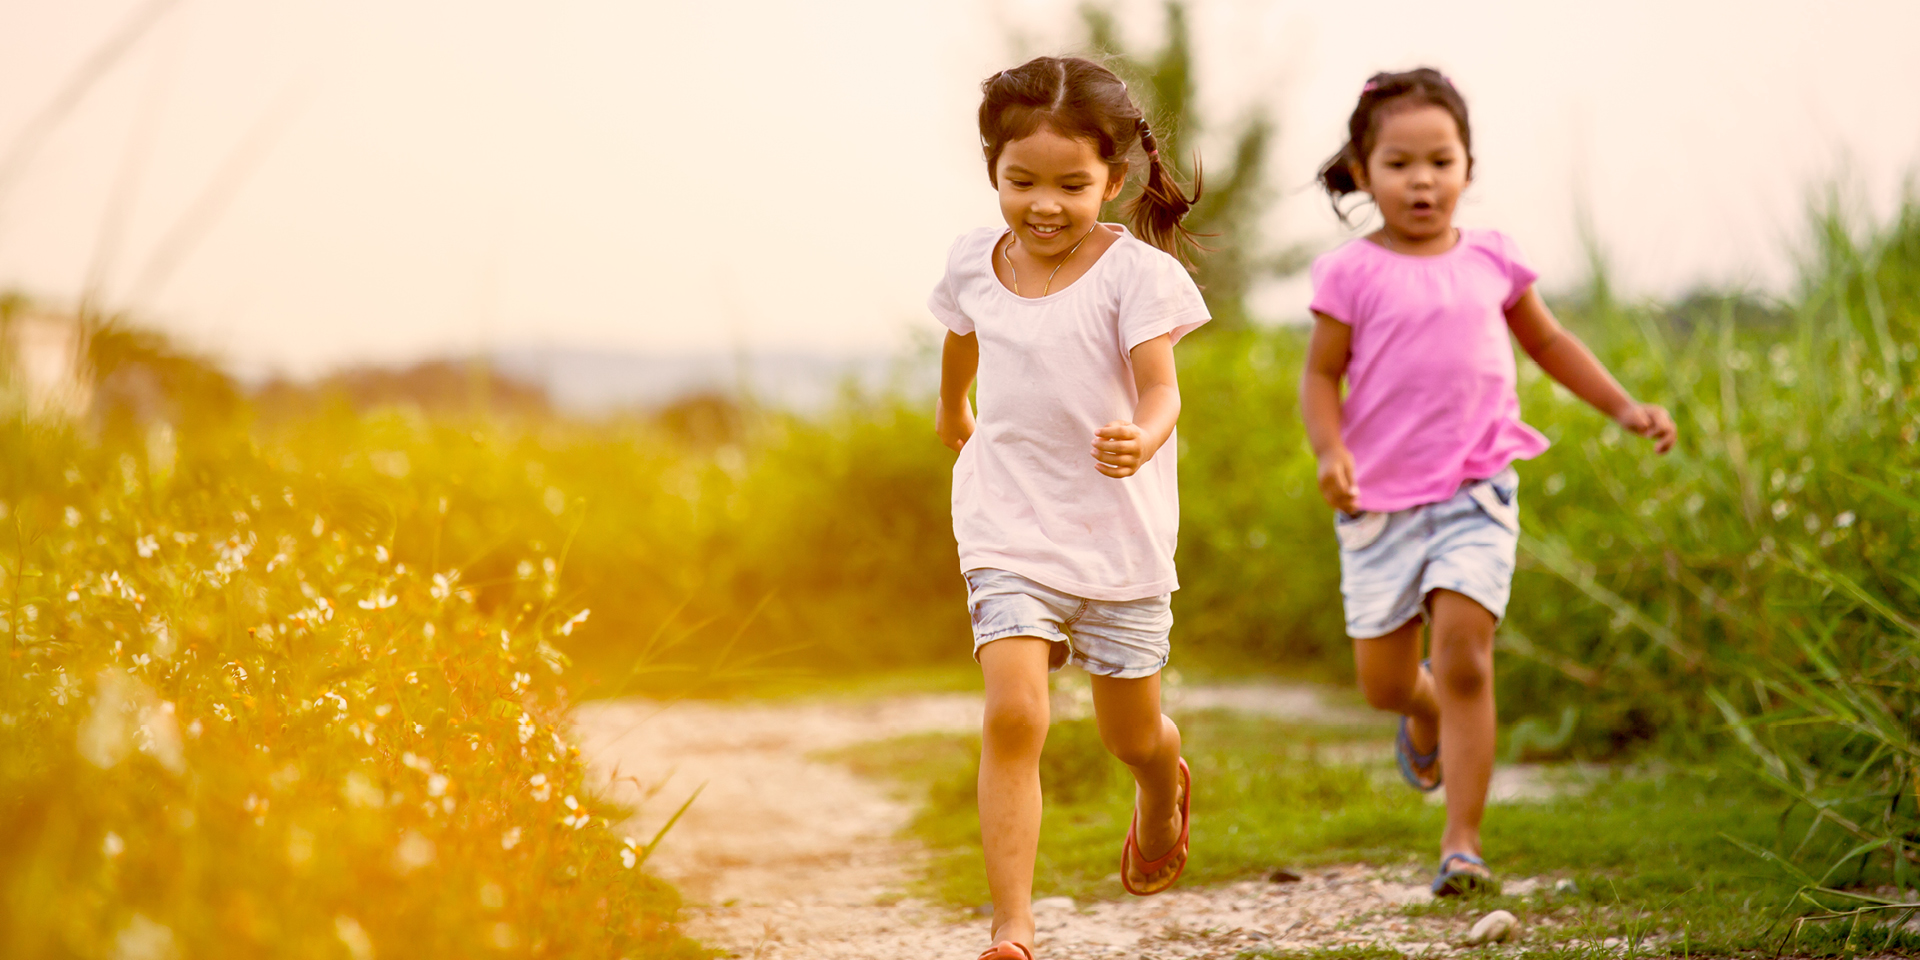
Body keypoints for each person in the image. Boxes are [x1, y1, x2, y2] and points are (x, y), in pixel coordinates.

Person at [1300, 67, 1677, 896]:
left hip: (1477, 490)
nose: (1422, 180)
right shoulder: (1351, 275)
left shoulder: (1494, 258)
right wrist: (1331, 452)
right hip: (1378, 505)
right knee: (1385, 685)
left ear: (1468, 168)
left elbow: (1548, 345)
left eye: (1441, 160)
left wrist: (1623, 406)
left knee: (1465, 653)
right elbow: (1322, 376)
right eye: (1399, 163)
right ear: (1363, 174)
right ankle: (1421, 710)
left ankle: (1461, 843)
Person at [929, 55, 1211, 960]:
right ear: (993, 174)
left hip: (1115, 535)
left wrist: (1145, 435)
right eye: (1021, 182)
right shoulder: (977, 258)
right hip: (1006, 521)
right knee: (1015, 714)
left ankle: (1162, 788)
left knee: (1130, 732)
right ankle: (1012, 925)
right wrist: (952, 408)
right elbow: (961, 334)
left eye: (1071, 185)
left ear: (1114, 182)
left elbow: (1161, 389)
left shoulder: (1138, 277)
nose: (1043, 205)